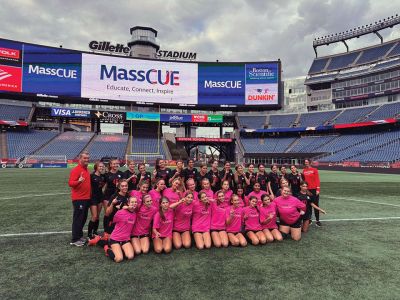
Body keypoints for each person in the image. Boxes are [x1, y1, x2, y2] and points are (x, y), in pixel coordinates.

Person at [104, 196, 137, 262]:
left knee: (130, 256)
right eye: (132, 202)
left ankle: (120, 248)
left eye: (135, 202)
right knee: (119, 259)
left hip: (125, 239)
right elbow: (111, 222)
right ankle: (107, 249)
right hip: (115, 239)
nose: (134, 204)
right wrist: (108, 232)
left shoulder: (135, 214)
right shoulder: (120, 212)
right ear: (128, 203)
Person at [68, 151, 91, 246]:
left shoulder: (85, 169)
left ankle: (79, 235)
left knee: (83, 218)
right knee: (78, 219)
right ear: (80, 159)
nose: (86, 160)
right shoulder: (76, 170)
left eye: (87, 158)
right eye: (84, 158)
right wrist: (78, 181)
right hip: (79, 199)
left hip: (86, 198)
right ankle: (75, 239)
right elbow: (70, 183)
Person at [102, 158, 124, 238]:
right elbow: (102, 186)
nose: (115, 165)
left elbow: (124, 184)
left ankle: (115, 229)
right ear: (110, 165)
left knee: (116, 214)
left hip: (118, 196)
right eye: (113, 164)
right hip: (107, 197)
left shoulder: (121, 173)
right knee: (108, 214)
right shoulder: (106, 175)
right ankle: (106, 231)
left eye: (116, 163)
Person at [88, 161, 106, 240]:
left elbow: (105, 184)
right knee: (94, 216)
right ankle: (89, 233)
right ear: (96, 167)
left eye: (102, 167)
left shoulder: (103, 177)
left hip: (100, 197)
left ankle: (95, 232)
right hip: (93, 198)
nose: (101, 168)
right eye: (100, 166)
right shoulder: (91, 176)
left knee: (98, 216)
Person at [302, 159, 322, 226]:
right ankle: (310, 219)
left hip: (314, 190)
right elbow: (304, 181)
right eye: (305, 162)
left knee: (316, 205)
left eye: (307, 162)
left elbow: (317, 179)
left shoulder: (314, 170)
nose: (306, 163)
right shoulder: (304, 170)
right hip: (307, 190)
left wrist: (318, 189)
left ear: (310, 163)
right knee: (309, 205)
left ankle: (317, 220)